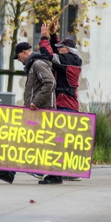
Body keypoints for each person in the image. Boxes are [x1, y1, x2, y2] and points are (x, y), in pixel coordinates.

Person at [0, 42, 60, 185]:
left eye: (18, 57)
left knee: (35, 142)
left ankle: (53, 175)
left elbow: (50, 83)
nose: (19, 60)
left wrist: (36, 102)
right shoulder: (33, 65)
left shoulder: (37, 64)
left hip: (42, 110)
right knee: (25, 140)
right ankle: (9, 172)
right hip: (38, 110)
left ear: (24, 52)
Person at [39, 23, 83, 181]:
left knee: (58, 141)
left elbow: (47, 55)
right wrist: (53, 35)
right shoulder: (72, 59)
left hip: (65, 104)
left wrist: (43, 36)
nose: (58, 49)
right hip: (70, 105)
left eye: (61, 47)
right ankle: (70, 172)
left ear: (68, 50)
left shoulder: (67, 60)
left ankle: (56, 174)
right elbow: (55, 50)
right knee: (65, 142)